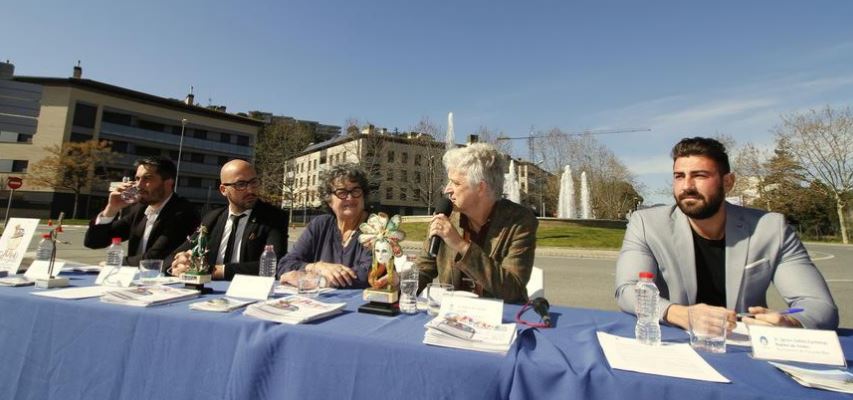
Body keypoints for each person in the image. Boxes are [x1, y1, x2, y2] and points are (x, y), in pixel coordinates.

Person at [615, 137, 838, 330]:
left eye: (700, 175)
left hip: (743, 345)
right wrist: (679, 314)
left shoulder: (771, 229)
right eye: (679, 176)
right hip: (676, 340)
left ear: (728, 182)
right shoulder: (647, 224)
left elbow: (818, 305)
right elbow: (628, 290)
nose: (687, 186)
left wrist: (790, 323)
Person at [416, 143, 538, 304]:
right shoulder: (446, 216)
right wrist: (396, 281)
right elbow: (423, 270)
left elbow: (513, 289)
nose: (447, 190)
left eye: (456, 183)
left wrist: (460, 245)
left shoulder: (519, 222)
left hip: (501, 314)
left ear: (480, 187)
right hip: (454, 314)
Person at [165, 160, 288, 280]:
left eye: (254, 182)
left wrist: (213, 271)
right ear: (223, 190)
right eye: (241, 184)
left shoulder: (273, 217)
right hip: (210, 289)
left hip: (250, 289)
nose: (250, 190)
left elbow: (276, 264)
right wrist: (180, 264)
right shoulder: (212, 218)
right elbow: (172, 258)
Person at [84, 156, 200, 266]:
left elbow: (155, 258)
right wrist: (111, 209)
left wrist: (114, 263)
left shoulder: (183, 213)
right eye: (137, 179)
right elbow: (94, 242)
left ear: (168, 183)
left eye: (147, 178)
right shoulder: (140, 209)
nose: (139, 185)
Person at [278, 163, 371, 288]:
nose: (350, 197)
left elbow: (369, 274)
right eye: (342, 192)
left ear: (363, 196)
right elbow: (285, 265)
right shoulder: (320, 225)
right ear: (329, 200)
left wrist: (317, 281)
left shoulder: (377, 228)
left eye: (356, 191)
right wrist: (317, 267)